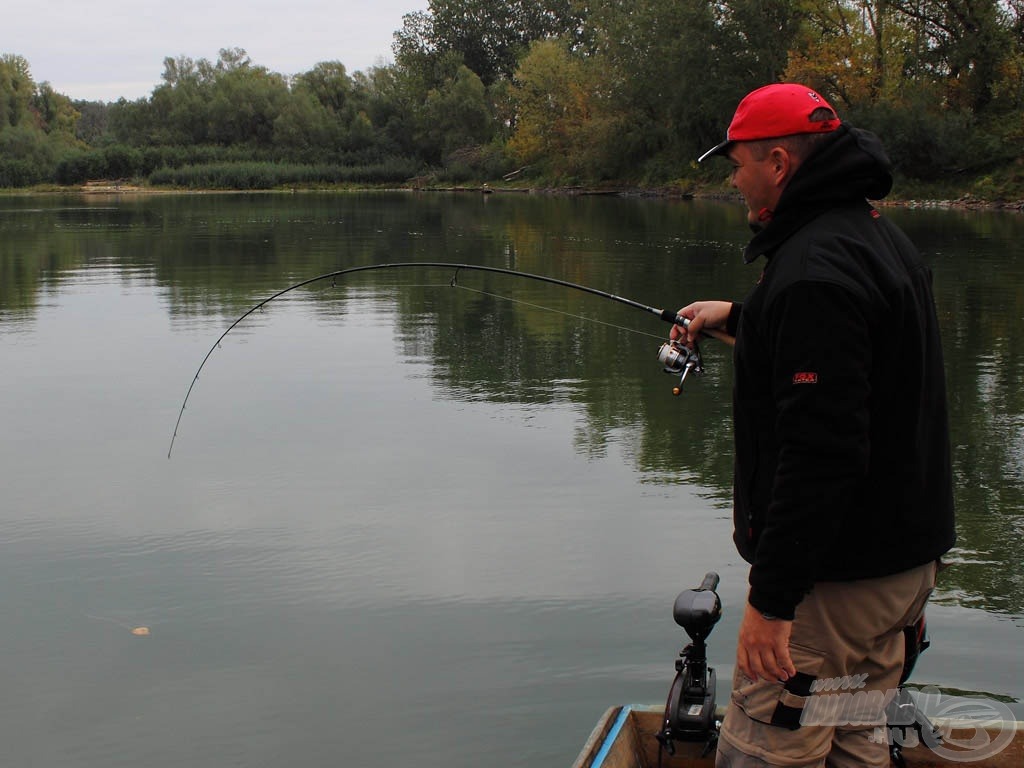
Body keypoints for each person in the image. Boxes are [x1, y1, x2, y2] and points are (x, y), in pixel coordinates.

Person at [671, 83, 956, 767]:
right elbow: (859, 366)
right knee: (855, 736)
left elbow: (821, 453)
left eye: (736, 162)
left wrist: (771, 604)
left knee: (769, 746)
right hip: (900, 571)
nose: (732, 178)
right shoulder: (874, 238)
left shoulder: (812, 272)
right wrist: (741, 318)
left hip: (834, 584)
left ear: (777, 161)